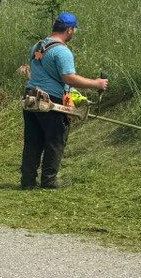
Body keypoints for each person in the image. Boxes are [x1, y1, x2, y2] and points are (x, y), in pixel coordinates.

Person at [20, 12, 108, 190]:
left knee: (33, 141)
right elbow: (68, 78)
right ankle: (49, 181)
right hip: (51, 102)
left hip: (31, 98)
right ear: (69, 29)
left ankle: (27, 181)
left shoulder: (38, 46)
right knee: (55, 140)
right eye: (74, 29)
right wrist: (96, 83)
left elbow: (44, 73)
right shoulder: (62, 51)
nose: (74, 33)